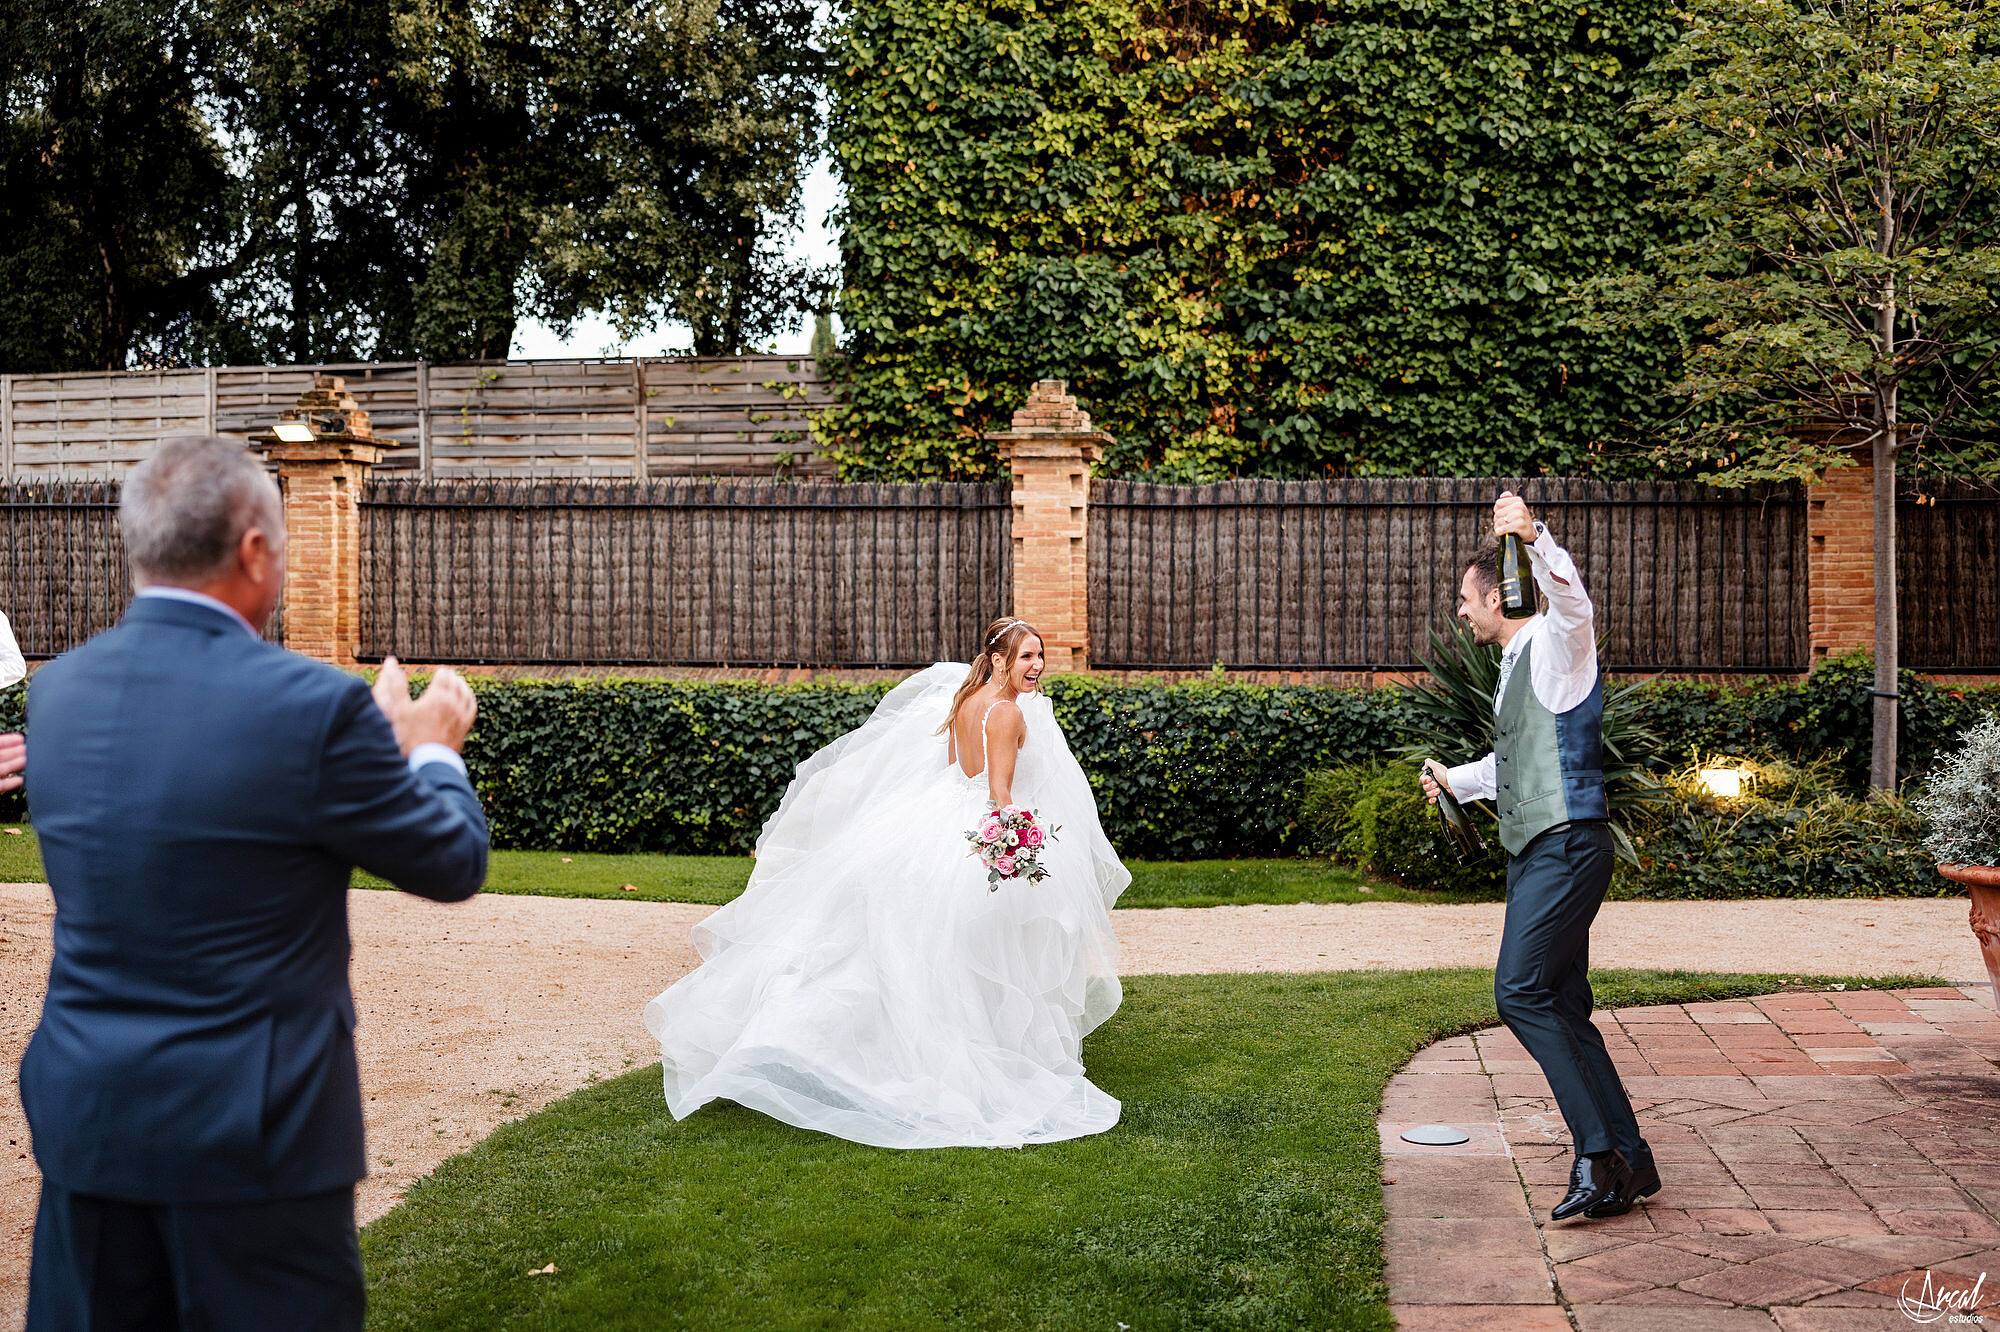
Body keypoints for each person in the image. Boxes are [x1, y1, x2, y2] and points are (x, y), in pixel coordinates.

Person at [20, 435, 491, 1331]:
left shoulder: (61, 693)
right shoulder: (315, 707)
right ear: (254, 551)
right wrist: (429, 749)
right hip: (255, 1144)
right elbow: (449, 861)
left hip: (88, 1124)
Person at [643, 616, 1128, 1149]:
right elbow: (999, 792)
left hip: (934, 827)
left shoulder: (965, 700)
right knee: (985, 951)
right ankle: (977, 1059)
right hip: (978, 833)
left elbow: (953, 771)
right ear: (999, 661)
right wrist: (1017, 842)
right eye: (1027, 657)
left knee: (928, 951)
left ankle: (894, 1046)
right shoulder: (1008, 711)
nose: (1037, 666)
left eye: (1041, 655)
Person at [1419, 491, 1658, 1222]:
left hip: (1567, 844)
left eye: (1466, 599)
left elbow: (1575, 604)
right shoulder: (1515, 664)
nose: (1461, 612)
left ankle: (1596, 1155)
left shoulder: (1558, 641)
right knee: (1561, 1003)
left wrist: (1534, 536)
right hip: (1535, 850)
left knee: (1519, 992)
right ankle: (1630, 1161)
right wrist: (1454, 781)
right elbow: (1513, 756)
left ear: (1498, 594)